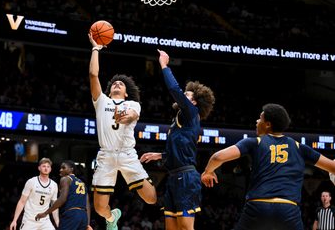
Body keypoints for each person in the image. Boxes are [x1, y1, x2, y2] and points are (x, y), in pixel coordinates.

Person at [201, 103, 335, 230]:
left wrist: (208, 172)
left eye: (260, 118)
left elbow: (217, 157)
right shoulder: (299, 147)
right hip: (288, 209)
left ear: (268, 124)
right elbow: (332, 167)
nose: (256, 121)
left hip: (257, 207)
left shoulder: (254, 142)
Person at [140, 49, 215, 230]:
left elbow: (174, 89)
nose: (184, 95)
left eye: (188, 94)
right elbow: (179, 150)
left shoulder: (191, 112)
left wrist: (164, 65)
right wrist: (159, 155)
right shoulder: (180, 120)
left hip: (186, 177)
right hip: (174, 176)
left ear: (194, 102)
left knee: (185, 228)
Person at [88, 33, 157, 230]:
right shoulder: (101, 101)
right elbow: (93, 75)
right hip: (106, 155)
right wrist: (96, 48)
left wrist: (125, 117)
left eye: (122, 84)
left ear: (126, 92)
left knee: (151, 199)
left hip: (127, 154)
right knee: (100, 209)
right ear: (109, 91)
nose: (118, 83)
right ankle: (112, 218)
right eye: (114, 83)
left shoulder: (133, 103)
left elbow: (133, 115)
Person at [35, 160, 92, 230]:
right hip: (83, 217)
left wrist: (46, 213)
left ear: (71, 169)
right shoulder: (82, 183)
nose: (60, 170)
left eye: (63, 168)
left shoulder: (66, 179)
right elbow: (87, 205)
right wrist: (87, 223)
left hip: (71, 214)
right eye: (60, 168)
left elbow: (62, 199)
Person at [10, 157, 59, 230]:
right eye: (44, 166)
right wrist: (14, 220)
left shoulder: (54, 185)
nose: (46, 168)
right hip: (29, 220)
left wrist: (57, 222)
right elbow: (22, 202)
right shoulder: (31, 182)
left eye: (48, 166)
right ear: (39, 168)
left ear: (50, 169)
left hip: (45, 220)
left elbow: (54, 206)